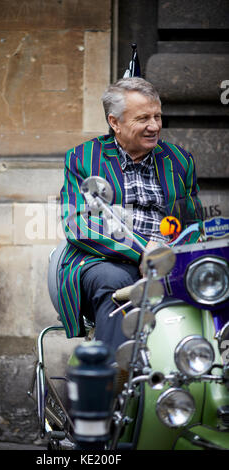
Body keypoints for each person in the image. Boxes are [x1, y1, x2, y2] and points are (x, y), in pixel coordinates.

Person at [58, 77, 201, 354]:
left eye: (157, 116)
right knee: (117, 284)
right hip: (106, 260)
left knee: (210, 280)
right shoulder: (83, 158)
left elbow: (193, 224)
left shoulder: (180, 160)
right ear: (115, 123)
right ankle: (116, 384)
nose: (154, 126)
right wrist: (142, 250)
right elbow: (80, 223)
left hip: (168, 259)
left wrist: (174, 254)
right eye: (143, 118)